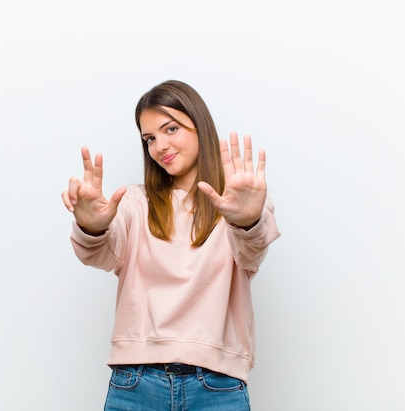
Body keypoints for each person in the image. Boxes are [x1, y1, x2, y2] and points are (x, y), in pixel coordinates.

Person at [61, 80, 280, 411]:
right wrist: (92, 225)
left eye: (171, 129)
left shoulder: (235, 203)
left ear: (199, 126)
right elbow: (101, 252)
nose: (159, 145)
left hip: (218, 385)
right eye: (149, 138)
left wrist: (247, 220)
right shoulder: (135, 203)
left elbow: (252, 250)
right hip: (137, 383)